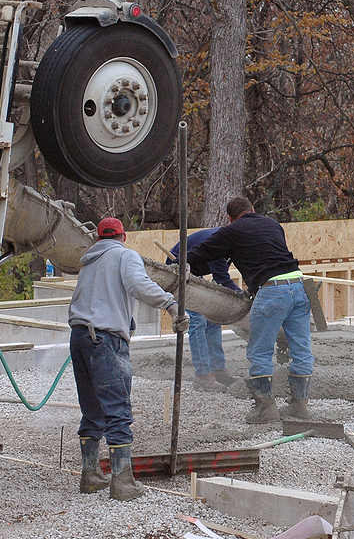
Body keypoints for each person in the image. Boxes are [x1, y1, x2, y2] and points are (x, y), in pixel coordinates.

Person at [68, 217, 189, 501]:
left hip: (79, 337)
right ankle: (122, 482)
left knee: (92, 406)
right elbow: (139, 284)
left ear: (99, 238)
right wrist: (172, 305)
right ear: (124, 237)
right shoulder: (125, 255)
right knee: (117, 406)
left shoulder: (88, 262)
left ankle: (90, 474)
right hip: (104, 338)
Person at [187, 197, 314, 424]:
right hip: (299, 286)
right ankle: (299, 406)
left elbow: (202, 253)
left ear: (230, 217)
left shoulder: (231, 231)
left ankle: (265, 408)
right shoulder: (273, 224)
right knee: (302, 349)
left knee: (260, 352)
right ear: (253, 210)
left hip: (272, 290)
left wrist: (179, 262)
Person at [167, 228, 243, 393]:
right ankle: (202, 376)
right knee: (197, 320)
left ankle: (218, 370)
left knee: (213, 318)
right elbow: (222, 280)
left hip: (195, 272)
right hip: (178, 268)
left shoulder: (233, 244)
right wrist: (244, 296)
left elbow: (221, 277)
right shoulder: (219, 244)